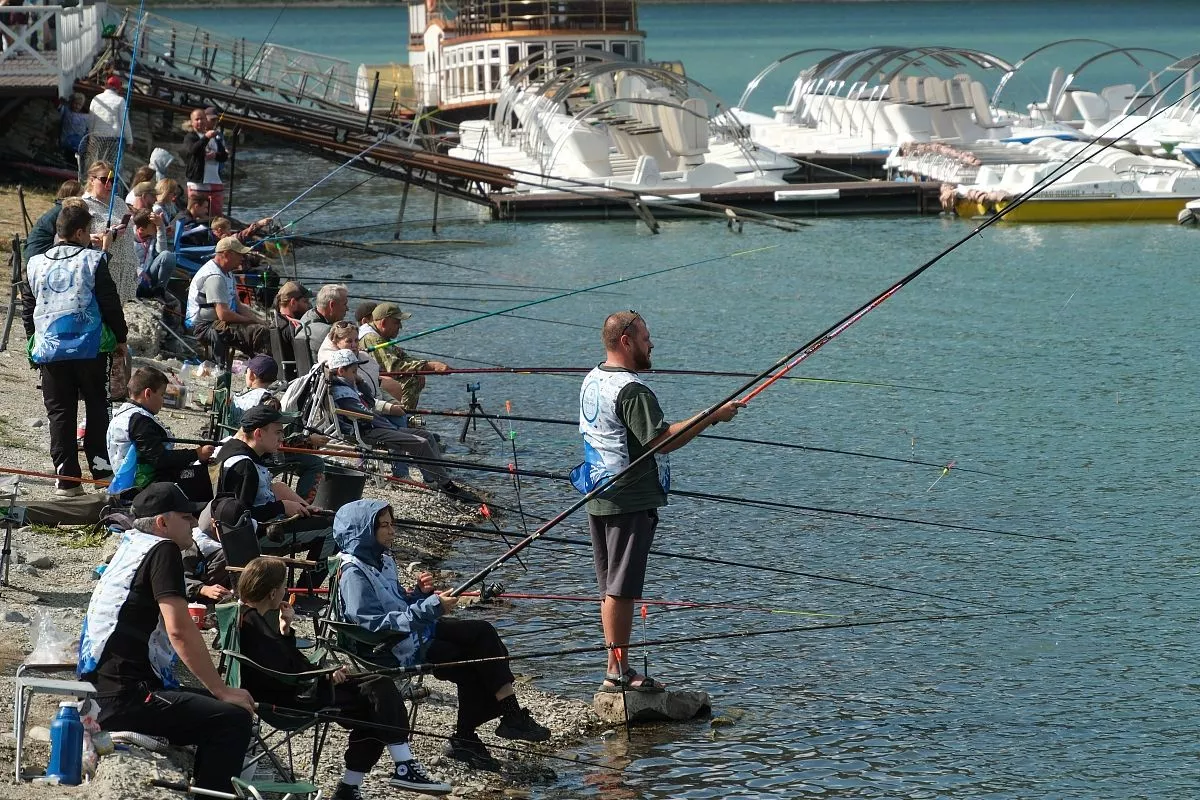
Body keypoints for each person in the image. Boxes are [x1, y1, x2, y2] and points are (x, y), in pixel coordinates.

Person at [574, 311, 744, 691]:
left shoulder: (592, 378)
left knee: (610, 587)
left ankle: (615, 668)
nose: (652, 345)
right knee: (621, 588)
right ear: (626, 341)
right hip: (628, 499)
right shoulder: (632, 391)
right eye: (647, 338)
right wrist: (712, 416)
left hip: (598, 494)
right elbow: (663, 440)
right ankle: (617, 674)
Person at [334, 499, 550, 772]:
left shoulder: (383, 560)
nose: (392, 531)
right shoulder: (353, 573)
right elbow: (373, 624)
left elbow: (397, 602)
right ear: (363, 530)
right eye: (384, 526)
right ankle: (473, 734)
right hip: (391, 647)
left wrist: (419, 595)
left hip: (415, 630)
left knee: (481, 633)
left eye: (392, 524)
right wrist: (431, 606)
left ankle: (507, 718)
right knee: (468, 661)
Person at [78, 482, 255, 794]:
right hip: (125, 698)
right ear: (162, 522)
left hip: (100, 691)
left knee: (217, 706)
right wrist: (220, 689)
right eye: (186, 517)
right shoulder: (164, 549)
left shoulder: (133, 545)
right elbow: (179, 630)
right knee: (233, 719)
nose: (192, 523)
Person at [236, 557, 452, 799]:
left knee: (374, 702)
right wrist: (324, 674)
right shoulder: (254, 622)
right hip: (292, 700)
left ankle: (352, 787)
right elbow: (283, 668)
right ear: (274, 592)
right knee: (379, 690)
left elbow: (276, 660)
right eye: (285, 586)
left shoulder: (245, 616)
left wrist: (285, 629)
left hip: (289, 689)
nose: (286, 591)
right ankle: (401, 765)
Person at [22, 202, 127, 496]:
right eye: (88, 232)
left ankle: (66, 478)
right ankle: (100, 469)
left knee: (60, 412)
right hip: (90, 348)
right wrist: (121, 337)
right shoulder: (93, 261)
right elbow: (110, 302)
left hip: (50, 349)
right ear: (80, 232)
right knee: (97, 406)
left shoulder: (35, 263)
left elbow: (28, 308)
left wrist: (34, 341)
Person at [325, 349, 472, 500]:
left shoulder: (348, 384)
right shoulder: (342, 392)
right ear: (341, 371)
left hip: (376, 427)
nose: (357, 375)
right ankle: (447, 485)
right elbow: (365, 414)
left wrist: (361, 382)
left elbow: (369, 401)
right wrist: (390, 426)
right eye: (354, 371)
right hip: (367, 431)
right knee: (419, 443)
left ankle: (432, 479)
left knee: (426, 436)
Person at [214, 404, 333, 568]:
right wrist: (281, 507)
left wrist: (302, 507)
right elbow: (238, 520)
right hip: (257, 538)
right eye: (278, 432)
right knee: (332, 530)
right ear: (258, 434)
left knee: (325, 518)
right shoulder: (244, 467)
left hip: (263, 526)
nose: (282, 438)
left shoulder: (230, 445)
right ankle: (305, 591)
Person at [107, 367, 215, 499]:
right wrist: (196, 454)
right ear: (148, 393)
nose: (163, 401)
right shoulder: (139, 420)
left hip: (138, 482)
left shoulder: (125, 414)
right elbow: (160, 459)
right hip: (144, 488)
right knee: (204, 475)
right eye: (162, 395)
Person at [231, 354, 325, 503]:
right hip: (262, 454)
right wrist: (306, 439)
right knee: (316, 463)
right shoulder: (269, 402)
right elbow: (274, 442)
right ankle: (303, 505)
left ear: (252, 374)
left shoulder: (237, 396)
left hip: (238, 445)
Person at [185, 236, 271, 359]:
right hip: (205, 326)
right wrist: (250, 321)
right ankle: (261, 366)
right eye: (240, 254)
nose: (243, 258)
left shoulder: (227, 272)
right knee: (258, 332)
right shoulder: (215, 278)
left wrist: (259, 320)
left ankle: (257, 361)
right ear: (227, 254)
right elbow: (223, 314)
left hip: (219, 321)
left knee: (262, 327)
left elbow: (239, 306)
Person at [360, 302, 448, 419]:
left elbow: (403, 357)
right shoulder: (371, 338)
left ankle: (406, 418)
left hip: (376, 378)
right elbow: (394, 366)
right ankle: (403, 418)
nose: (400, 326)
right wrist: (430, 367)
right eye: (397, 322)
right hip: (367, 382)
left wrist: (428, 366)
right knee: (412, 380)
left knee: (418, 375)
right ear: (384, 322)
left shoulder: (379, 336)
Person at [80, 159, 138, 301]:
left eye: (112, 179)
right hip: (104, 268)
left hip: (126, 267)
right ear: (92, 180)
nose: (109, 184)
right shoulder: (84, 204)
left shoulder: (119, 202)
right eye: (104, 179)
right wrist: (103, 235)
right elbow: (79, 234)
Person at [183, 107, 227, 217]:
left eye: (202, 119)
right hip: (197, 182)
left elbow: (224, 156)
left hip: (214, 180)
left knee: (216, 214)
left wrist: (215, 155)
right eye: (197, 119)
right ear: (192, 122)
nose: (200, 122)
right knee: (197, 212)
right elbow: (194, 150)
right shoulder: (190, 137)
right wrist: (206, 137)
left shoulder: (214, 137)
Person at [23, 180, 82, 262]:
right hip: (38, 253)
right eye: (81, 194)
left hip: (32, 251)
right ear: (74, 195)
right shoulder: (65, 212)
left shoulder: (59, 209)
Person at [86, 76, 133, 167]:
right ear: (118, 88)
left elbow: (91, 120)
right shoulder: (120, 101)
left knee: (97, 165)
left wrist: (90, 136)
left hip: (97, 137)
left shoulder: (96, 99)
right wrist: (129, 140)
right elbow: (124, 122)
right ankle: (109, 181)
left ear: (106, 86)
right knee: (112, 166)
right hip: (114, 138)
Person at [131, 209, 177, 297]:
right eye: (154, 225)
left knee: (168, 255)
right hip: (133, 276)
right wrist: (139, 271)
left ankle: (159, 291)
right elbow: (125, 259)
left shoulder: (153, 236)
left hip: (148, 276)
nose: (156, 227)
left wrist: (161, 228)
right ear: (142, 229)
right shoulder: (129, 236)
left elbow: (162, 252)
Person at [298, 283, 348, 362]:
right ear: (332, 305)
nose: (347, 309)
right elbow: (346, 357)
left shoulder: (307, 315)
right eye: (345, 304)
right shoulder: (327, 332)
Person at [271, 280, 312, 374]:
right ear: (293, 302)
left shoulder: (275, 322)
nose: (309, 306)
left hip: (281, 374)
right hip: (296, 377)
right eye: (305, 301)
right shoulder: (293, 327)